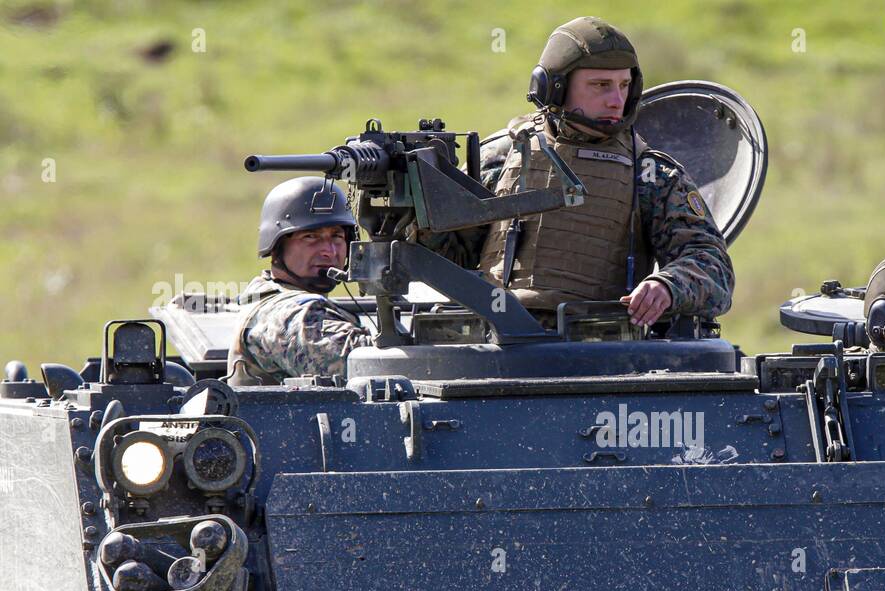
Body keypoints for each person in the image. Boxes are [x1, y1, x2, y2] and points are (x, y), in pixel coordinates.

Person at [420, 16, 734, 328]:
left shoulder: (651, 174)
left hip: (599, 355)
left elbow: (713, 268)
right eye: (600, 86)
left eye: (624, 86)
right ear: (554, 88)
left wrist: (667, 286)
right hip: (497, 343)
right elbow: (448, 258)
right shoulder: (501, 158)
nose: (616, 101)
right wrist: (416, 216)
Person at [226, 177, 373, 385]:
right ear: (276, 245)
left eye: (337, 236)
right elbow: (370, 365)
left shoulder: (268, 296)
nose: (328, 251)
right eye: (311, 237)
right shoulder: (287, 313)